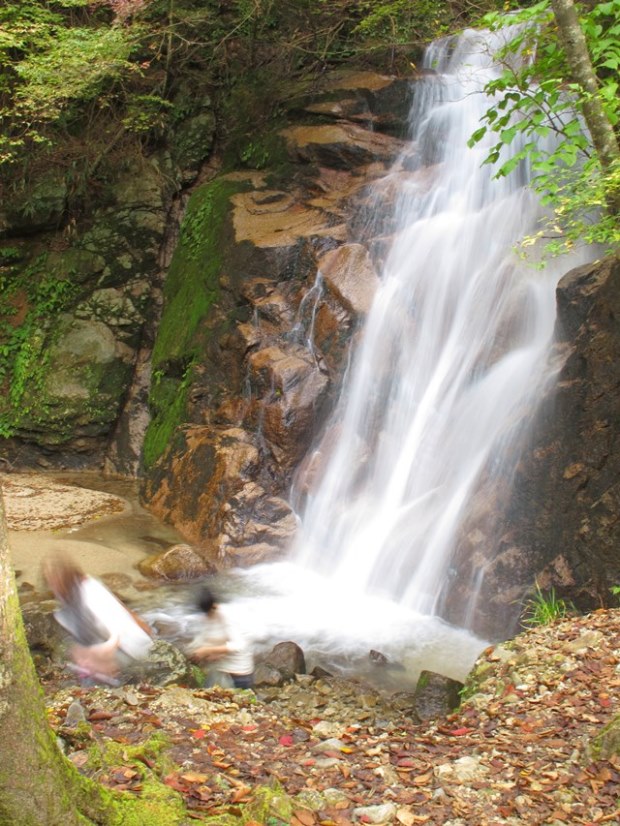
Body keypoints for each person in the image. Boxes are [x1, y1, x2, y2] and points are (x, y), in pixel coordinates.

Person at [43, 552, 154, 685]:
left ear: (68, 576)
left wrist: (96, 655)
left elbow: (115, 636)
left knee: (86, 679)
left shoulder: (90, 594)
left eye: (55, 580)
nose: (53, 585)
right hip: (104, 640)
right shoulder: (69, 594)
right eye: (50, 581)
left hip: (128, 648)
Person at [187, 586, 254, 689]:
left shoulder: (228, 615)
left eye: (209, 611)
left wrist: (207, 651)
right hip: (220, 672)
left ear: (214, 605)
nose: (207, 616)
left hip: (238, 675)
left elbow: (239, 645)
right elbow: (203, 638)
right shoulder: (207, 616)